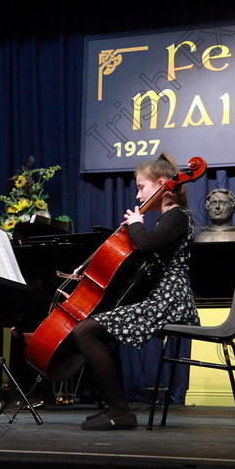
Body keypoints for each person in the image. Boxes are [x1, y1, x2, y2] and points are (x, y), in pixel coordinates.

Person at [68, 153, 200, 430]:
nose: (138, 195)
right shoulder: (168, 219)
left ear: (162, 184)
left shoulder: (177, 216)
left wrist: (136, 223)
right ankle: (113, 407)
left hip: (170, 301)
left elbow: (147, 245)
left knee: (84, 331)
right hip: (162, 298)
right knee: (100, 334)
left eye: (141, 187)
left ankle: (121, 412)